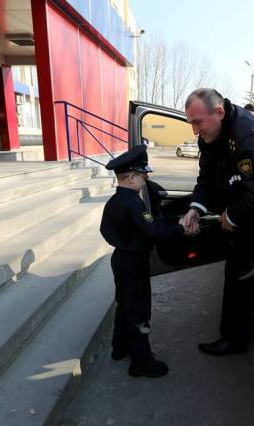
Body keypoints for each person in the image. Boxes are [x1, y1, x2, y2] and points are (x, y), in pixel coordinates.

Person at [180, 88, 254, 356]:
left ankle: (234, 339)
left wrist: (232, 215)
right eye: (191, 124)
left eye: (198, 122)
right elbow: (207, 178)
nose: (195, 131)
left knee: (237, 272)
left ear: (219, 112)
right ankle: (238, 330)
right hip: (243, 205)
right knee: (237, 271)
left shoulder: (251, 135)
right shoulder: (210, 136)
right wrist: (195, 208)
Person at [100, 145, 193, 378]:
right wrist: (181, 229)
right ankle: (141, 361)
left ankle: (119, 348)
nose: (146, 179)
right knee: (138, 310)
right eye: (143, 176)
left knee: (124, 305)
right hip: (134, 264)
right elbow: (154, 231)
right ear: (131, 177)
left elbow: (107, 230)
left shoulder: (114, 202)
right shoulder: (133, 203)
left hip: (121, 259)